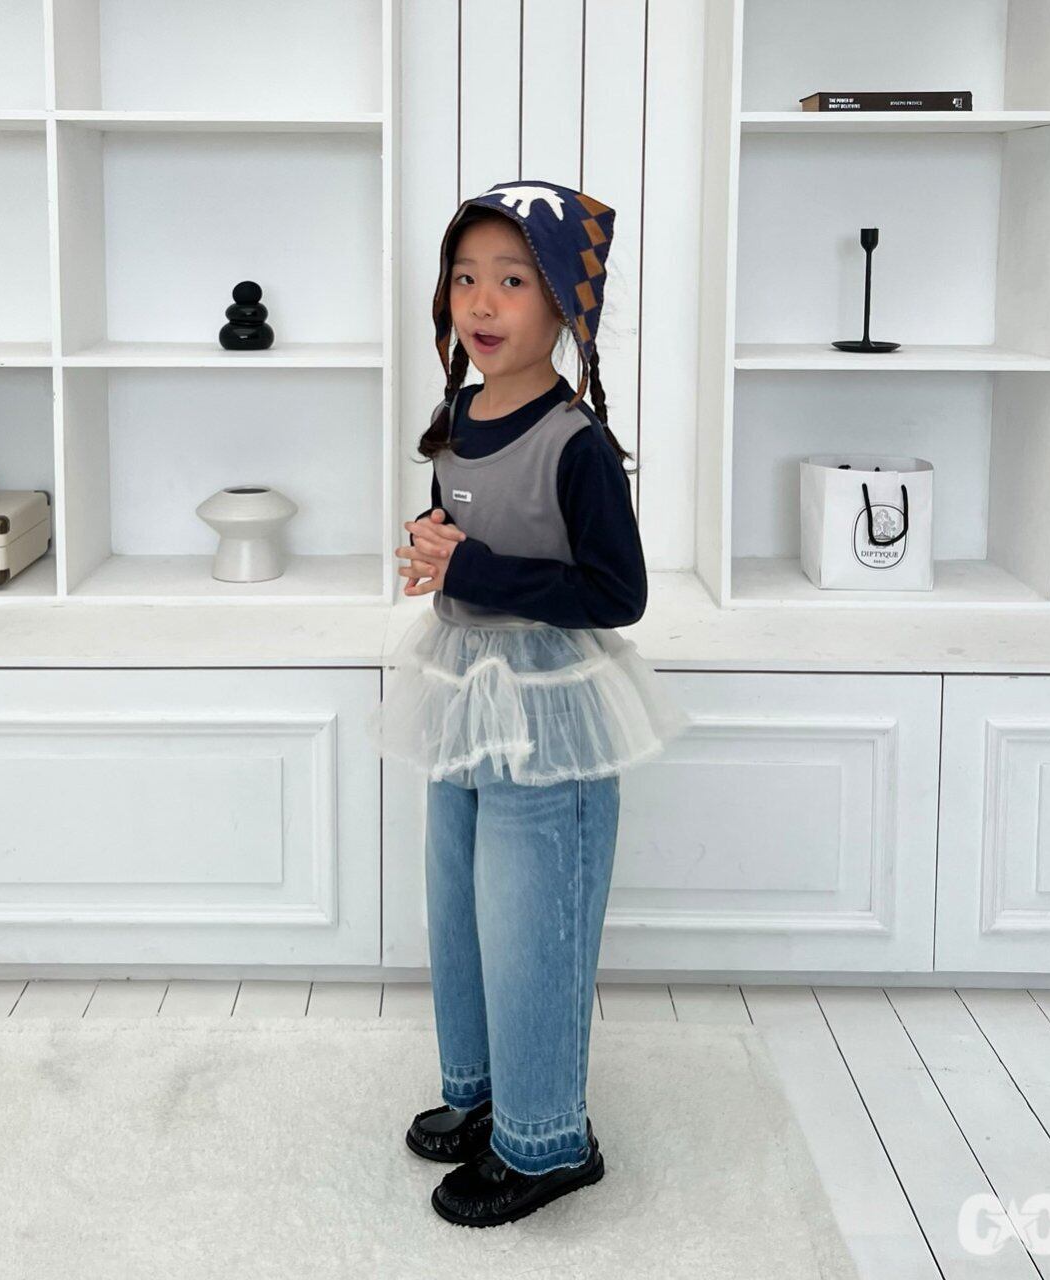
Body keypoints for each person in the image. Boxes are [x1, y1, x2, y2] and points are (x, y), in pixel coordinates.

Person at [365, 179, 692, 1229]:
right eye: (465, 277)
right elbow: (469, 522)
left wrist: (473, 566)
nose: (481, 301)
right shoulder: (460, 415)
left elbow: (616, 594)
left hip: (549, 709)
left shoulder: (575, 442)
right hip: (463, 691)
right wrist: (434, 547)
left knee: (531, 921)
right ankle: (484, 1090)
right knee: (463, 909)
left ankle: (547, 1139)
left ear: (563, 304)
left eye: (512, 280)